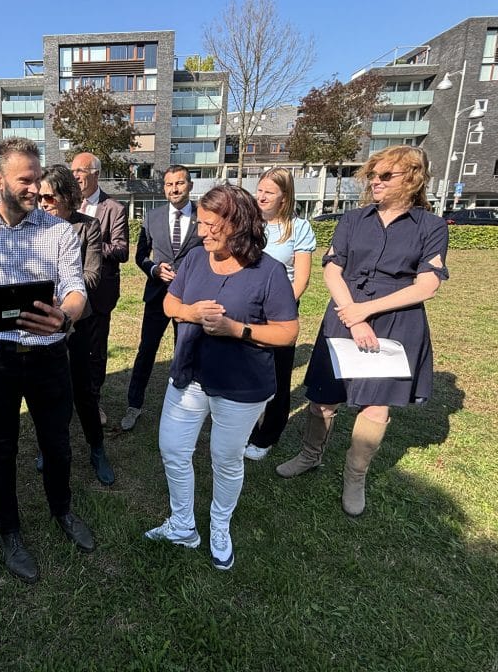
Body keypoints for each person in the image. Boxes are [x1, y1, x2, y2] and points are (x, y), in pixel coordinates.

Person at [0, 137, 95, 585]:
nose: (35, 188)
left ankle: (62, 511)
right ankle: (9, 531)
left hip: (49, 357)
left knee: (58, 444)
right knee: (3, 448)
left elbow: (76, 289)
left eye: (37, 178)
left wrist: (64, 318)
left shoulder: (60, 231)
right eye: (25, 180)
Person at [276, 145, 449, 517]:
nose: (376, 182)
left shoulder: (431, 227)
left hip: (395, 320)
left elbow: (427, 285)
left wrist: (364, 313)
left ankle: (355, 477)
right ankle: (310, 455)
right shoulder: (353, 220)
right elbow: (332, 269)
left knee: (375, 403)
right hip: (343, 311)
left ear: (413, 178)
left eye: (386, 176)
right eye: (373, 175)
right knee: (324, 396)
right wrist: (352, 315)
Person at [144, 184, 298, 570]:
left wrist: (236, 329)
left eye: (212, 225)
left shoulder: (270, 272)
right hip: (189, 374)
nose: (202, 232)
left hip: (241, 386)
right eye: (201, 223)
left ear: (239, 224)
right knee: (173, 450)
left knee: (225, 460)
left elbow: (287, 332)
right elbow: (169, 303)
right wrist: (192, 313)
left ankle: (218, 526)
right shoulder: (196, 259)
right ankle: (182, 525)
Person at [37, 164, 115, 485]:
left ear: (68, 196)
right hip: (42, 324)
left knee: (83, 392)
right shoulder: (35, 228)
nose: (42, 204)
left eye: (49, 198)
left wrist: (63, 297)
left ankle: (97, 448)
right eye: (39, 198)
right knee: (48, 392)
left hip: (79, 323)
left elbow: (93, 275)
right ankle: (49, 447)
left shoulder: (88, 228)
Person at [244, 167, 317, 461]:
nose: (261, 196)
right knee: (247, 372)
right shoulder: (248, 224)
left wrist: (280, 308)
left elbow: (301, 279)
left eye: (269, 192)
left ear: (284, 198)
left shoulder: (299, 229)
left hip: (279, 313)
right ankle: (245, 428)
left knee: (277, 375)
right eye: (259, 190)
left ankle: (267, 435)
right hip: (247, 310)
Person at [123, 165, 203, 431]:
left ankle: (184, 405)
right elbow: (140, 256)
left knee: (186, 350)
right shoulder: (152, 217)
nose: (174, 189)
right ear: (164, 188)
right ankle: (134, 404)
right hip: (157, 295)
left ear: (190, 185)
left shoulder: (204, 216)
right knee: (147, 350)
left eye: (179, 183)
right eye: (169, 184)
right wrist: (154, 269)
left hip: (189, 299)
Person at [70, 153, 129, 425]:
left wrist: (90, 245)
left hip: (99, 292)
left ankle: (94, 402)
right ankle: (69, 399)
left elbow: (121, 250)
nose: (75, 176)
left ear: (95, 173)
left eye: (80, 171)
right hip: (68, 290)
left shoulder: (114, 209)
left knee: (95, 352)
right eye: (73, 171)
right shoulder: (66, 205)